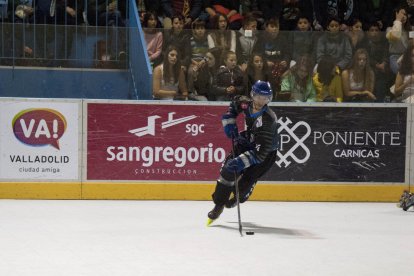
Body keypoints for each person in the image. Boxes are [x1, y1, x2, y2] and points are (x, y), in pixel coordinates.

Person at [207, 80, 279, 223]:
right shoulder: (245, 103)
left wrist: (240, 162)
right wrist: (229, 122)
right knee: (228, 170)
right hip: (248, 141)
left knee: (244, 184)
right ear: (253, 94)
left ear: (269, 99)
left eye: (265, 98)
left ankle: (240, 197)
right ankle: (219, 205)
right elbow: (233, 107)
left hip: (266, 153)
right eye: (258, 96)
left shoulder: (268, 119)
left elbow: (260, 153)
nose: (261, 101)